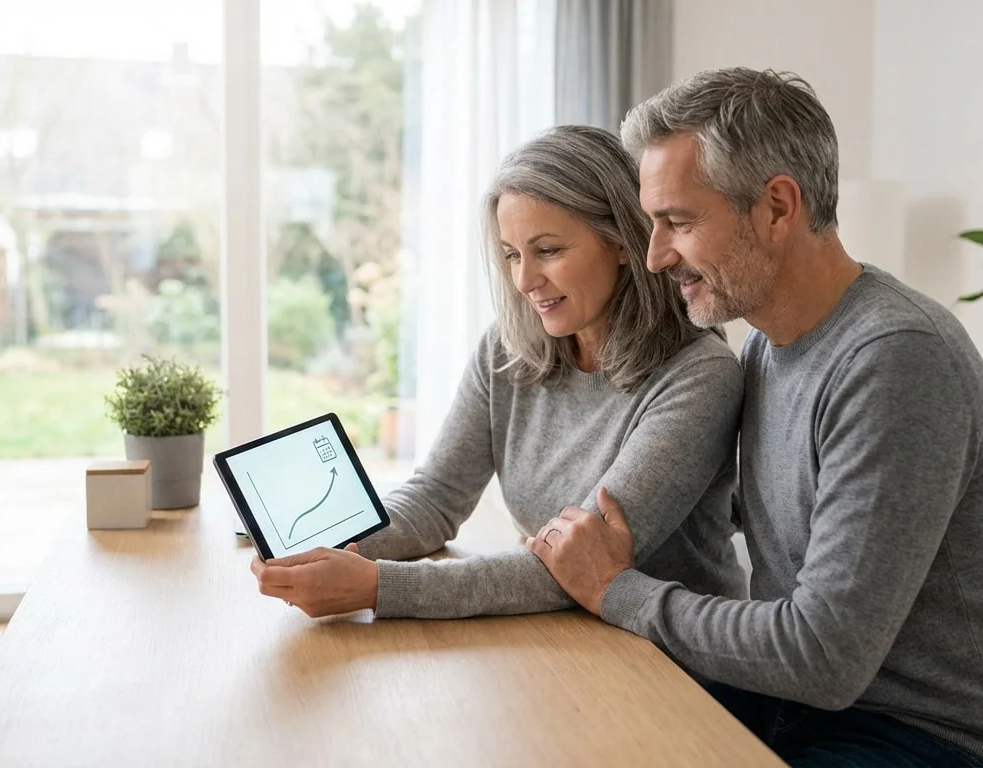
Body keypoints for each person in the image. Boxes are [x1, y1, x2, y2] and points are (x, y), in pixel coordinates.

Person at [529, 69, 983, 768]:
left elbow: (822, 656)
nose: (656, 257)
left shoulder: (894, 360)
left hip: (931, 736)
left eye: (679, 222)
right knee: (576, 726)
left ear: (777, 207)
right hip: (807, 710)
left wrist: (616, 589)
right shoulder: (767, 355)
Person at [251, 124, 746, 622]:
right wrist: (324, 545)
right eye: (512, 255)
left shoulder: (698, 377)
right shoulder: (510, 350)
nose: (525, 281)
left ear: (622, 240)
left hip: (669, 666)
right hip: (562, 639)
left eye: (548, 250)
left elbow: (578, 569)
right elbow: (437, 497)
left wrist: (377, 587)